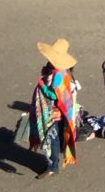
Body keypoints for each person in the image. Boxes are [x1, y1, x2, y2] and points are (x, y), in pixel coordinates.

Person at [29, 39, 79, 180]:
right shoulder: (57, 70)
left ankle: (53, 167)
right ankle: (52, 164)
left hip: (55, 113)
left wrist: (43, 85)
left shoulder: (60, 75)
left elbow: (55, 95)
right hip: (55, 112)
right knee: (53, 138)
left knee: (52, 139)